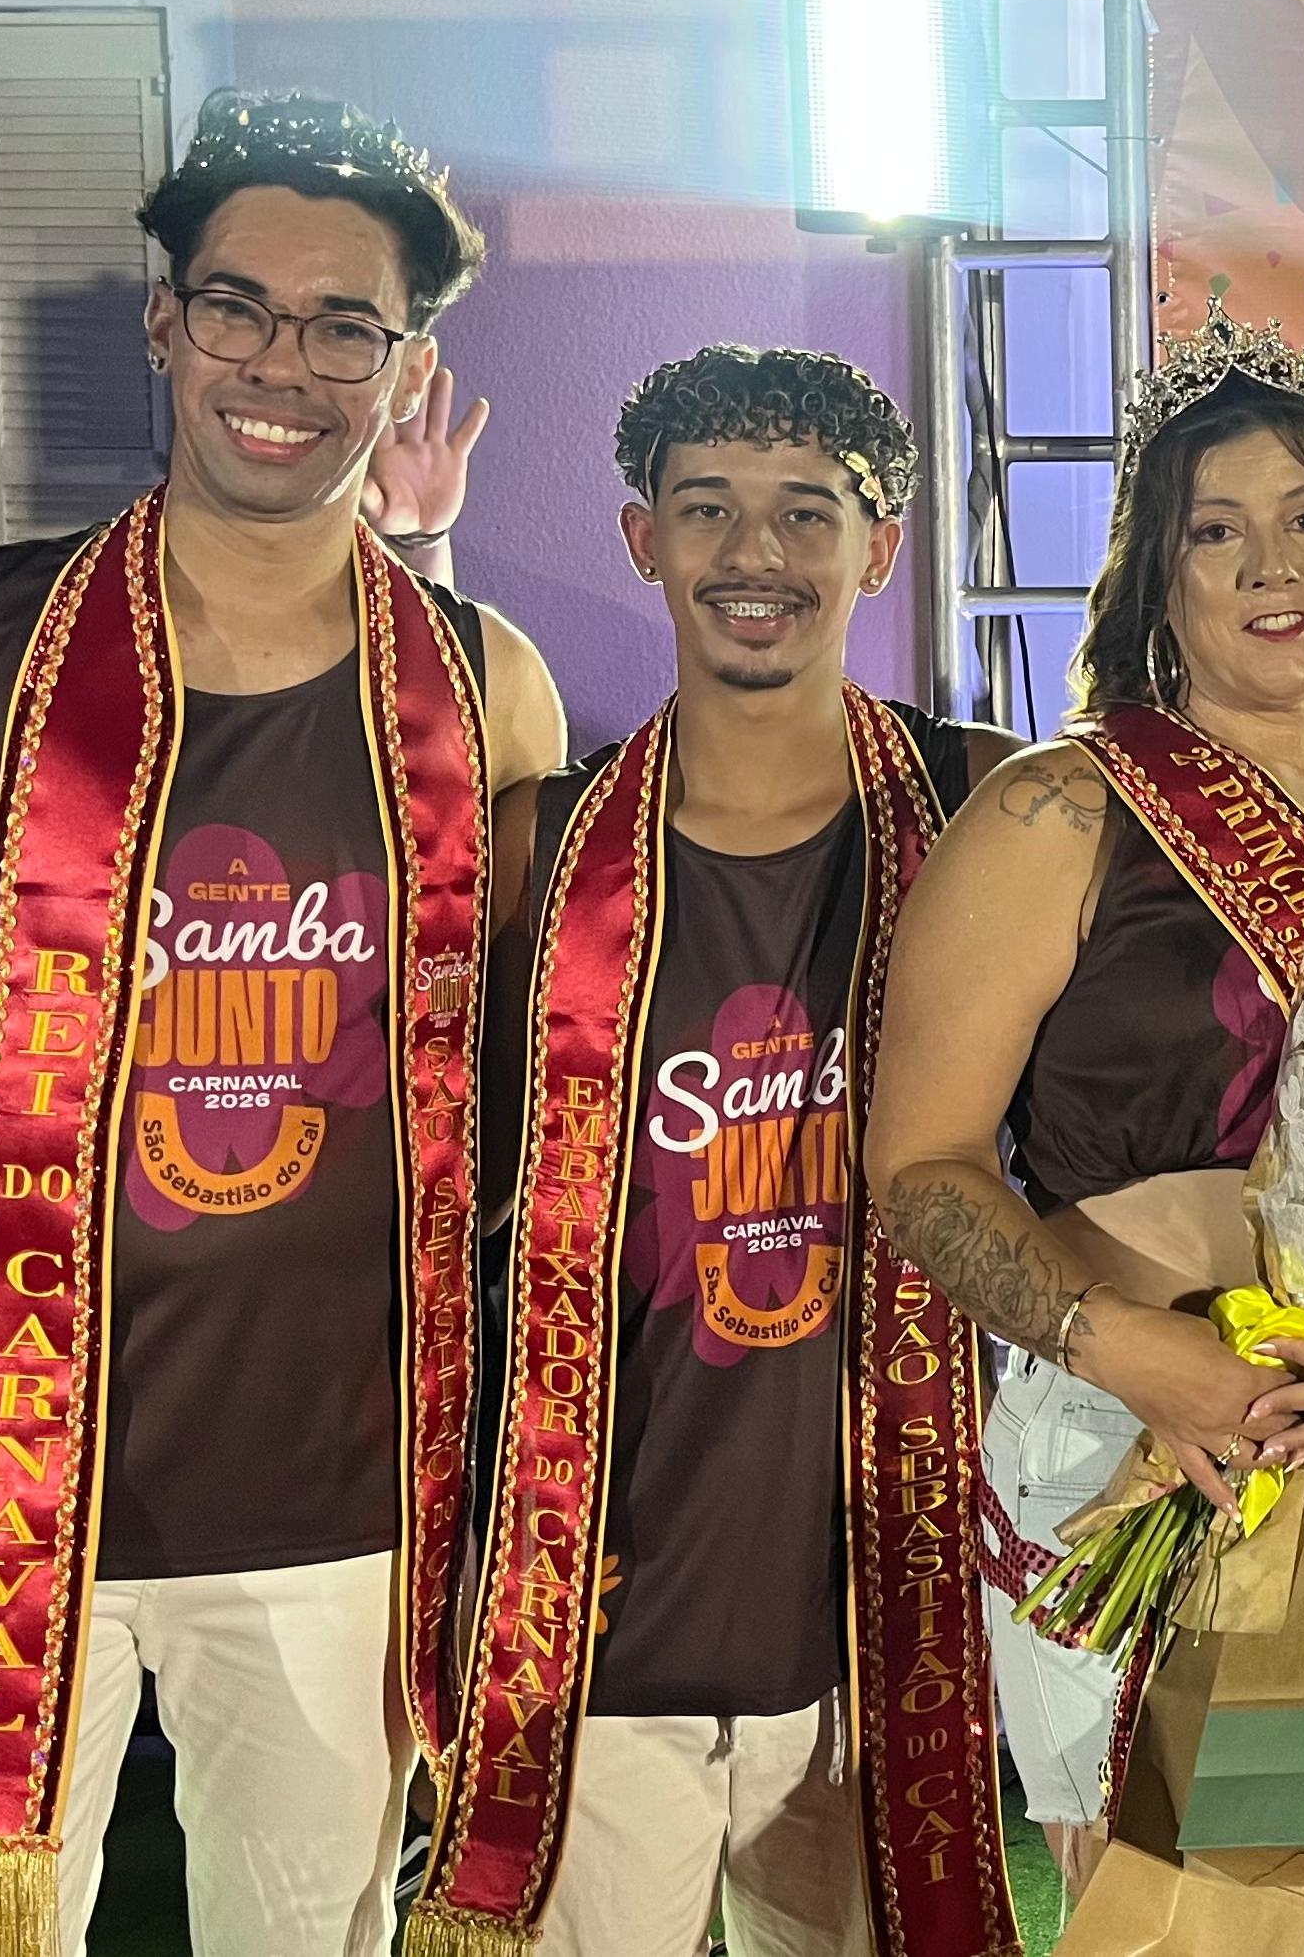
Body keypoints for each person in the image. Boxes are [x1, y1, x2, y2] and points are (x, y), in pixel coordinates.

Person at [0, 89, 566, 1957]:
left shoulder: (485, 690)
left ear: (406, 367)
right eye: (240, 307)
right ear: (165, 323)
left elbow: (531, 1106)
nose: (284, 365)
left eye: (344, 326)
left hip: (350, 1506)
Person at [404, 348, 1019, 1957]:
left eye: (807, 512)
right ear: (642, 539)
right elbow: (433, 1205)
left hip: (889, 1594)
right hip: (605, 1599)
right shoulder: (540, 845)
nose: (757, 554)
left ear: (880, 549)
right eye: (708, 510)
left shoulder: (989, 807)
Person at [861, 302, 1304, 1675]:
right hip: (1121, 1430)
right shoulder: (1057, 812)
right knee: (1139, 1824)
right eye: (1216, 531)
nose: (1273, 564)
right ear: (1160, 577)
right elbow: (918, 1168)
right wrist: (1134, 1353)